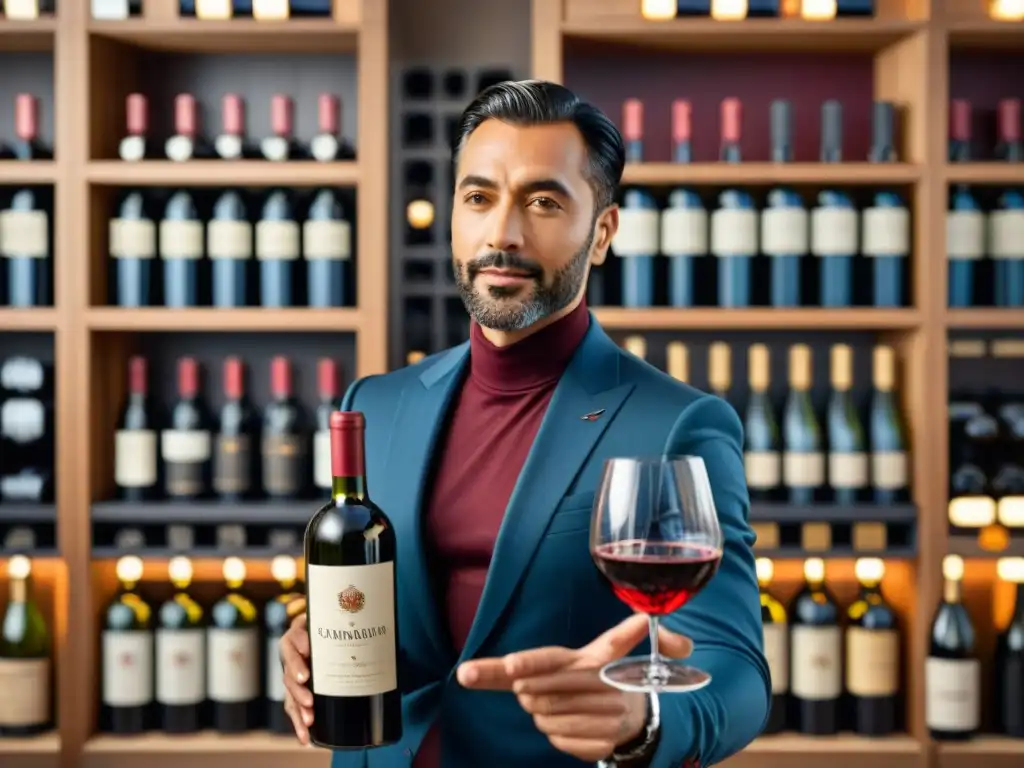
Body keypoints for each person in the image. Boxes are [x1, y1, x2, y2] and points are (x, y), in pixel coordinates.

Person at [279, 79, 770, 767]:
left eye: (543, 202)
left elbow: (738, 672)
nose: (502, 233)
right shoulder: (377, 405)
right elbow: (387, 605)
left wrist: (644, 720)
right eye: (478, 197)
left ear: (601, 233)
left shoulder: (678, 423)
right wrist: (312, 638)